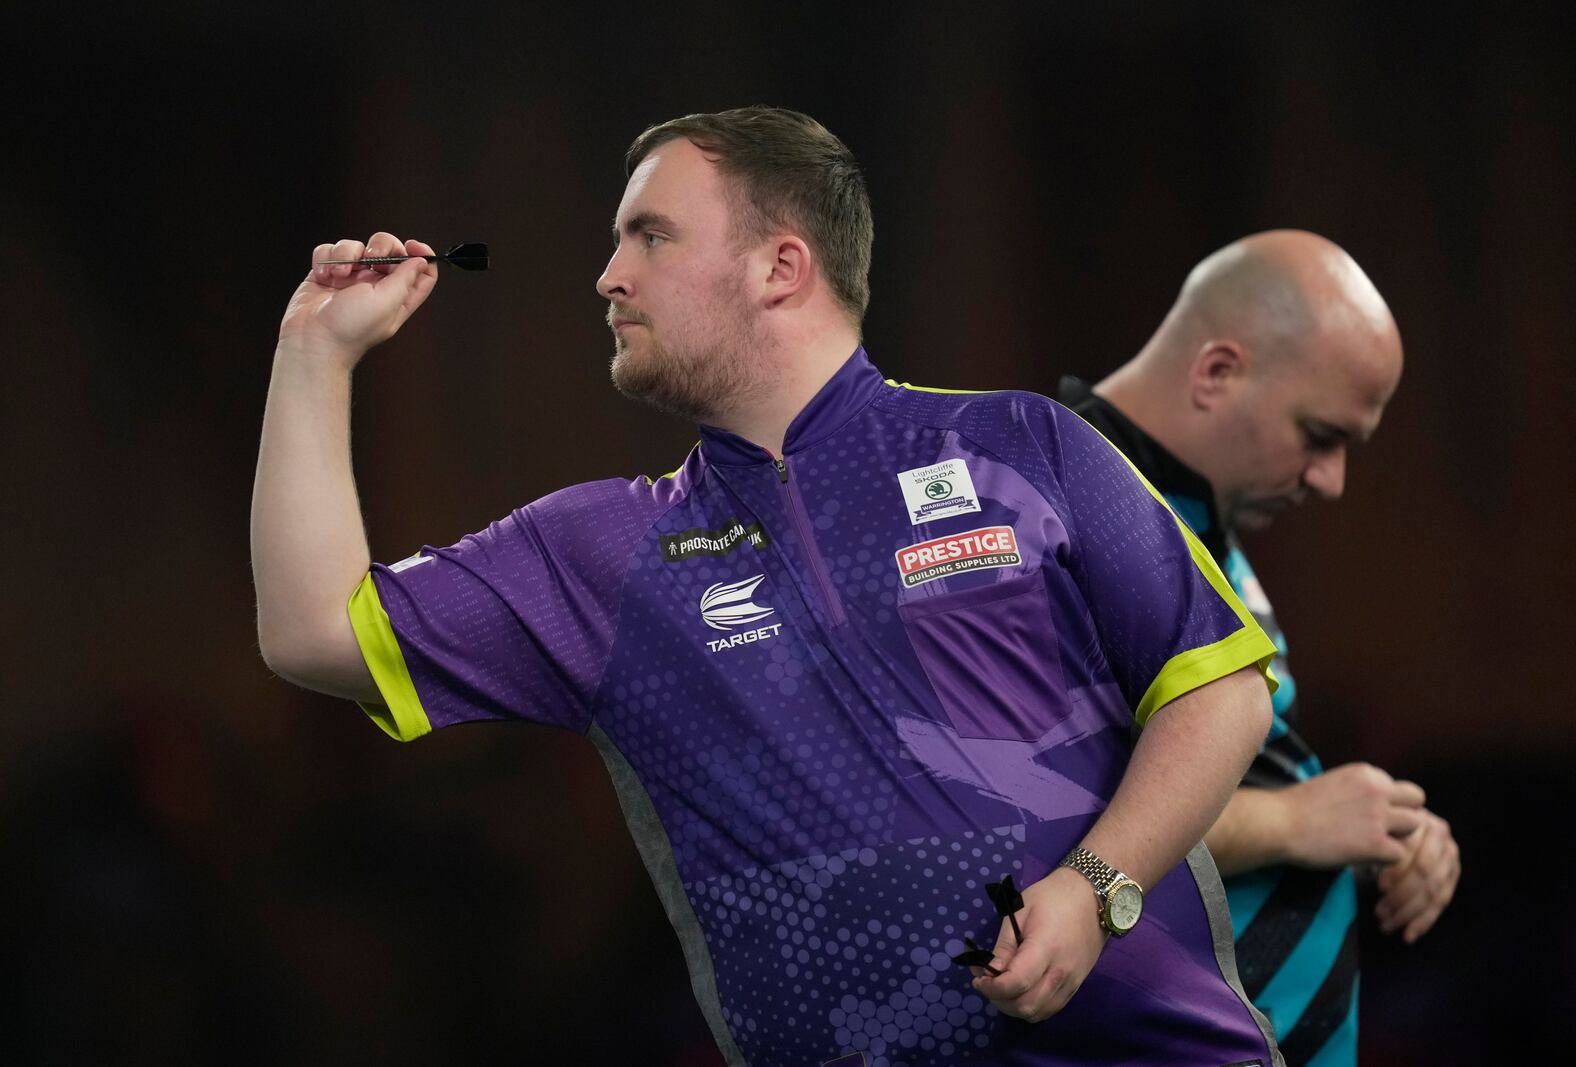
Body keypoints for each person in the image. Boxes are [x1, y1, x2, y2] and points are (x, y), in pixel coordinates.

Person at [253, 106, 1285, 1067]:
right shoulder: (603, 551)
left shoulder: (1021, 444)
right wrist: (312, 353)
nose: (608, 277)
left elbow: (1220, 688)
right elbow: (313, 633)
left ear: (780, 265)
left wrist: (1094, 890)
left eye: (650, 236)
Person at [1058, 231, 1461, 1066]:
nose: (1332, 479)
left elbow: (1229, 776)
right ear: (1217, 372)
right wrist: (1294, 820)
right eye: (1319, 434)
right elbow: (1045, 819)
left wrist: (1382, 836)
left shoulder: (1188, 512)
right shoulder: (1060, 508)